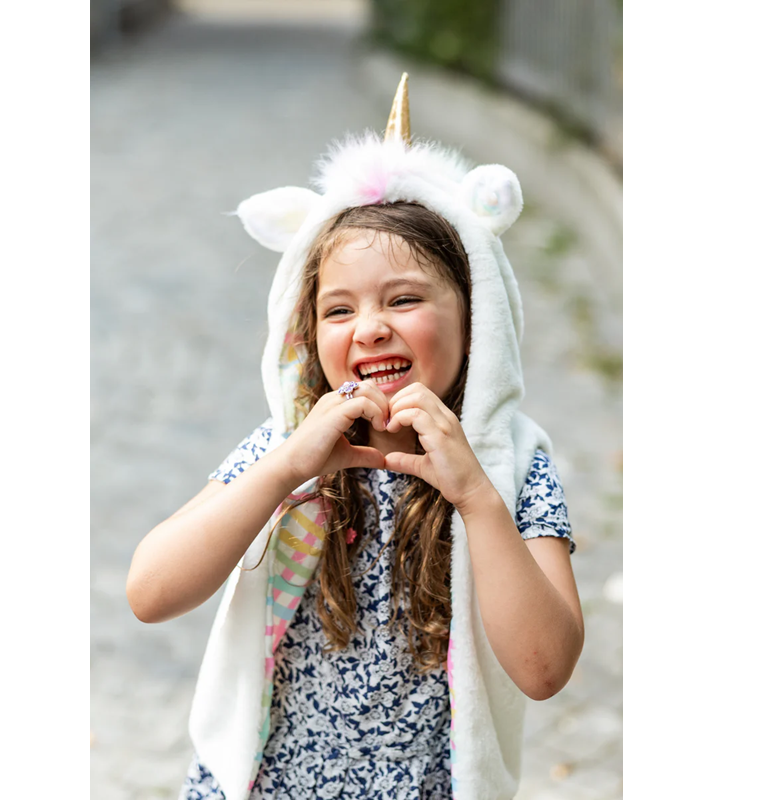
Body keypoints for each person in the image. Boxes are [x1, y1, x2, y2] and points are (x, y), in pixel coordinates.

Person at [126, 74, 584, 800]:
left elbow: (544, 667)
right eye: (339, 310)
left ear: (476, 318)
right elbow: (149, 592)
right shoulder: (288, 445)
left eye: (404, 299)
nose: (370, 325)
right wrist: (283, 470)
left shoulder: (513, 465)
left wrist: (475, 496)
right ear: (307, 334)